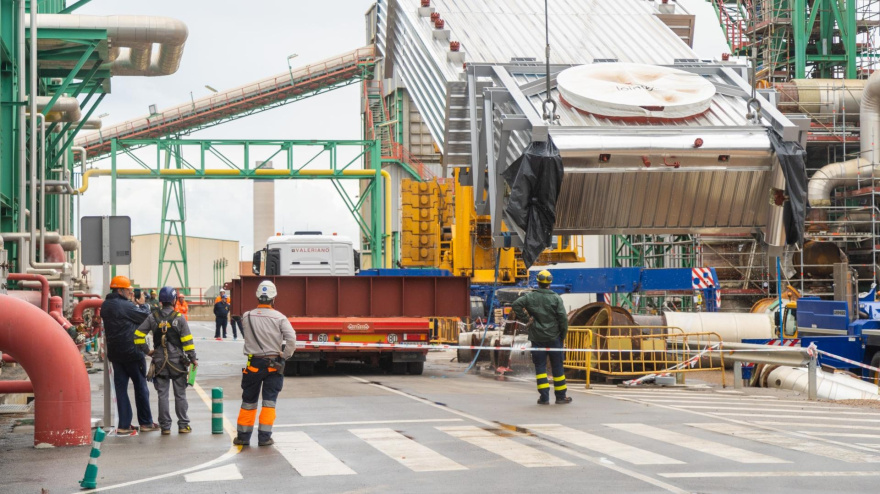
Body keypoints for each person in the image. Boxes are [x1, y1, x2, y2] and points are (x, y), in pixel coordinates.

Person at [233, 280, 296, 447]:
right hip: (274, 364)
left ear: (257, 296)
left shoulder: (247, 316)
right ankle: (264, 438)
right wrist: (285, 356)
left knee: (248, 402)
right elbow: (292, 339)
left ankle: (243, 437)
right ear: (274, 298)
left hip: (253, 364)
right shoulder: (280, 318)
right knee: (269, 402)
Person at [134, 286, 198, 435]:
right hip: (177, 363)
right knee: (180, 394)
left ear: (161, 301)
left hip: (160, 361)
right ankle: (183, 425)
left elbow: (137, 335)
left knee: (162, 395)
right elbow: (188, 342)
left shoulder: (152, 317)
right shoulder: (179, 318)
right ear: (174, 300)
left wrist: (147, 351)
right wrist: (193, 359)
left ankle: (165, 427)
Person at [101, 275, 159, 433]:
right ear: (120, 290)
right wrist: (143, 305)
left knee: (121, 389)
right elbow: (146, 317)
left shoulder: (106, 305)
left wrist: (133, 306)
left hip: (115, 354)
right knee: (141, 387)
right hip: (133, 353)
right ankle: (146, 423)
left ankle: (124, 425)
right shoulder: (126, 306)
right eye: (128, 290)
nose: (130, 293)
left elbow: (127, 318)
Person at [511, 270, 572, 406]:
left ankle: (544, 398)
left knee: (540, 367)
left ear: (538, 282)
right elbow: (563, 318)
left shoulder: (530, 297)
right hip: (554, 337)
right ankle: (561, 397)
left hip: (537, 337)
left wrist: (527, 319)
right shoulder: (556, 298)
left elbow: (516, 305)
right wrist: (562, 335)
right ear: (550, 283)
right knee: (557, 367)